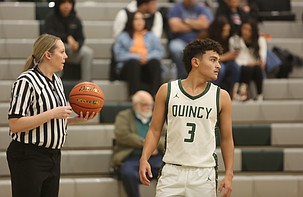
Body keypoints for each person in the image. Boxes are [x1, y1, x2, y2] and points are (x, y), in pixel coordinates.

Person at [139, 38, 234, 197]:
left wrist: (229, 174)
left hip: (204, 173)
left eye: (218, 61)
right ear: (195, 62)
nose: (218, 65)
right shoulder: (167, 90)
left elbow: (227, 139)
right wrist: (144, 158)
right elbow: (154, 130)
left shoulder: (221, 96)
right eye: (213, 60)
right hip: (172, 171)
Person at [6, 34, 96, 197]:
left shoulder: (56, 80)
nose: (66, 56)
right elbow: (15, 123)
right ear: (48, 55)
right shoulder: (26, 81)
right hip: (28, 155)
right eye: (62, 52)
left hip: (53, 155)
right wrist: (52, 113)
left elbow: (49, 122)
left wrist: (74, 120)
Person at [112, 90, 165, 197]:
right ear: (136, 105)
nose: (150, 107)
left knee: (167, 172)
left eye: (151, 105)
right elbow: (123, 135)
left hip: (155, 158)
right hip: (131, 157)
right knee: (128, 174)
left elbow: (167, 137)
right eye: (145, 105)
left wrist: (153, 145)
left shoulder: (157, 116)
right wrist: (149, 144)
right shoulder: (124, 116)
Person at [113, 11, 164, 97]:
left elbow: (160, 52)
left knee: (155, 62)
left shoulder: (151, 36)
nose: (139, 21)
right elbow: (118, 55)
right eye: (136, 19)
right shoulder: (123, 36)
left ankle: (156, 96)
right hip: (129, 69)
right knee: (133, 62)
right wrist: (138, 57)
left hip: (146, 67)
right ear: (131, 21)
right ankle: (134, 96)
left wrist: (147, 57)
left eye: (142, 19)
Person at [44, 0, 94, 81]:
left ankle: (87, 84)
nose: (66, 6)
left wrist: (78, 45)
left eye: (69, 3)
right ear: (59, 4)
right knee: (58, 50)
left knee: (88, 53)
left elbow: (81, 38)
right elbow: (49, 35)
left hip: (72, 51)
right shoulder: (51, 18)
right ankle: (54, 82)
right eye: (64, 3)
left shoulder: (76, 20)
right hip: (56, 49)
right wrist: (67, 38)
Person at [167, 0, 213, 79]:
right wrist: (197, 24)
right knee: (175, 48)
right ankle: (184, 77)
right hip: (180, 40)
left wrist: (185, 21)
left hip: (199, 41)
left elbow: (207, 25)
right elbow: (175, 27)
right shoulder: (176, 8)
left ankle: (199, 79)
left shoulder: (202, 8)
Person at [229, 18, 267, 101]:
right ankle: (243, 93)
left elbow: (262, 61)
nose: (245, 32)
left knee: (257, 69)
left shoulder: (261, 40)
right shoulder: (234, 40)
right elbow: (237, 60)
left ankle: (259, 95)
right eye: (244, 28)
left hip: (256, 69)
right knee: (248, 68)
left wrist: (253, 63)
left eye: (249, 30)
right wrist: (251, 63)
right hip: (241, 68)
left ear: (253, 31)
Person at [205, 15, 241, 100]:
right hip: (211, 65)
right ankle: (211, 93)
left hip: (225, 63)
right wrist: (225, 57)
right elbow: (207, 58)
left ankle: (233, 92)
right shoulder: (207, 39)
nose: (227, 33)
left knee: (235, 66)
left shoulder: (228, 39)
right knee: (221, 68)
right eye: (224, 31)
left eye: (228, 31)